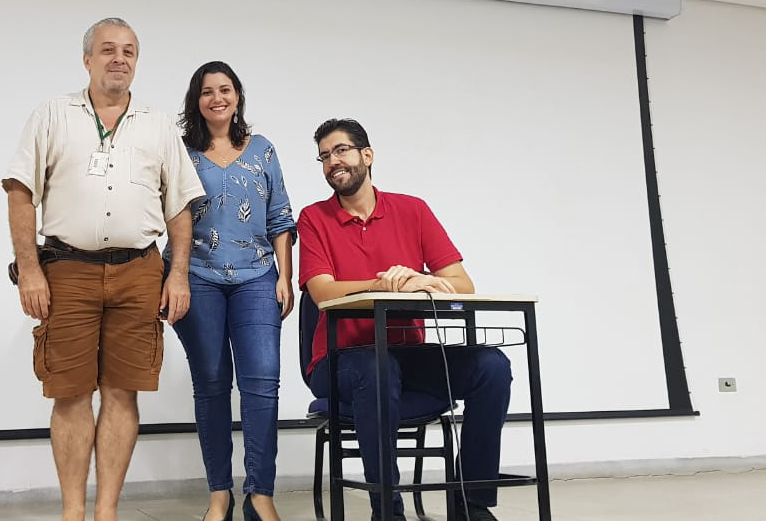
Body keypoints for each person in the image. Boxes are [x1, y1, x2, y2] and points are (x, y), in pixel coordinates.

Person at [1, 17, 205, 521]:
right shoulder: (53, 114)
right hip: (67, 270)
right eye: (108, 49)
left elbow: (179, 205)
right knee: (70, 393)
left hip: (140, 271)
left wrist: (177, 274)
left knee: (122, 391)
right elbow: (20, 191)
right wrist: (29, 270)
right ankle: (74, 511)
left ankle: (106, 512)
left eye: (129, 51)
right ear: (87, 59)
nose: (119, 58)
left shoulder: (157, 125)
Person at [297, 119, 512, 521]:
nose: (332, 162)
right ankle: (388, 509)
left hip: (406, 354)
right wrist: (387, 284)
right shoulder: (313, 218)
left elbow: (461, 284)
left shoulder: (413, 210)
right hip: (338, 361)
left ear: (367, 155)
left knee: (492, 367)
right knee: (377, 367)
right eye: (324, 156)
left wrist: (423, 280)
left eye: (340, 150)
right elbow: (323, 292)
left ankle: (472, 504)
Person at [170, 61, 296, 521]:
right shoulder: (180, 152)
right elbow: (169, 214)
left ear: (237, 96)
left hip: (258, 276)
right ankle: (219, 493)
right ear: (196, 100)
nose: (216, 98)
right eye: (207, 91)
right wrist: (172, 276)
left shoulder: (262, 150)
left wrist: (285, 275)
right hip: (197, 276)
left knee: (262, 384)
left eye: (225, 89)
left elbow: (281, 217)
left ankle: (260, 493)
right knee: (211, 384)